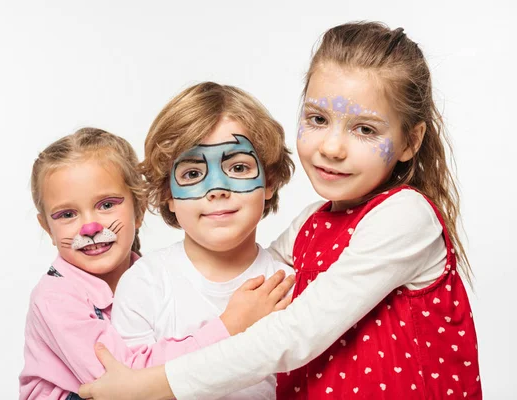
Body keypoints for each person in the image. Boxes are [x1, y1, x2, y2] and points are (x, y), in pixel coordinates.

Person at [79, 21, 482, 399]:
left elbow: (295, 333)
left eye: (365, 129)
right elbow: (241, 257)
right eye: (318, 119)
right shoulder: (312, 223)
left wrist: (147, 386)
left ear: (410, 142)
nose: (332, 147)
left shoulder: (405, 216)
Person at [19, 127, 293, 399]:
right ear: (47, 228)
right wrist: (229, 327)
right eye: (67, 214)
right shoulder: (55, 298)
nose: (89, 227)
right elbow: (127, 381)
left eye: (106, 205)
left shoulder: (150, 276)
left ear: (139, 210)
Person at [111, 82, 296, 399]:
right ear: (168, 194)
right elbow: (130, 389)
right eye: (193, 173)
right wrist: (230, 326)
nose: (217, 188)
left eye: (238, 167)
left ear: (270, 181)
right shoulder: (145, 285)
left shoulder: (289, 285)